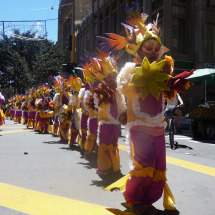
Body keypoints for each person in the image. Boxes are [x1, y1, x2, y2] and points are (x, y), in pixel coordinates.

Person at [97, 3, 194, 214]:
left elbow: (169, 97)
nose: (153, 52)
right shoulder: (130, 69)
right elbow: (124, 88)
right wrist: (143, 77)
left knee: (159, 167)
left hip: (158, 126)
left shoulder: (164, 69)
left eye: (156, 49)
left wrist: (173, 85)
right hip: (139, 127)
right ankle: (135, 199)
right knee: (145, 164)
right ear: (138, 50)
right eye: (148, 49)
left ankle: (149, 200)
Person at [92, 45, 126, 176]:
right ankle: (103, 167)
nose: (112, 79)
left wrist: (124, 114)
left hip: (114, 123)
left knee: (114, 144)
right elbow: (98, 105)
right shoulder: (100, 91)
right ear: (104, 79)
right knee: (105, 145)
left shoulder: (118, 92)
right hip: (105, 123)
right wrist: (103, 96)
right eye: (109, 77)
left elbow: (121, 104)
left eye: (114, 77)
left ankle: (114, 166)